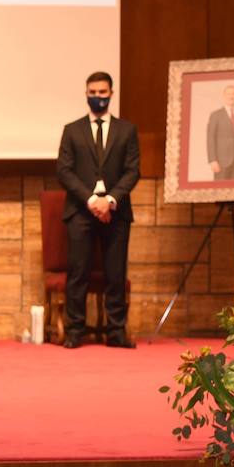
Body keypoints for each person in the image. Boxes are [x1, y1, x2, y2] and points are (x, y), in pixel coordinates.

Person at [55, 71, 141, 349]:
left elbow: (132, 171)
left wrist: (110, 200)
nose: (98, 97)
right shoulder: (72, 130)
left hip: (116, 211)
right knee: (78, 272)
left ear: (111, 94)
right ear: (86, 93)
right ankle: (74, 331)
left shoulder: (127, 130)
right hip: (81, 211)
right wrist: (92, 201)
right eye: (93, 92)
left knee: (115, 273)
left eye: (102, 93)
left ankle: (116, 332)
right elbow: (64, 171)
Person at [206, 84, 234, 180]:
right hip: (221, 161)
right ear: (224, 96)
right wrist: (212, 160)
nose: (231, 96)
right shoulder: (215, 115)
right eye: (228, 94)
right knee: (219, 191)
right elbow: (210, 138)